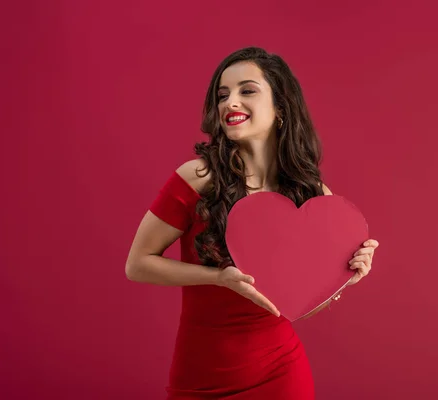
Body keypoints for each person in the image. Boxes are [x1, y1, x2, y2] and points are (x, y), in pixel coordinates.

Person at [125, 47, 379, 399]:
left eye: (247, 90)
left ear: (280, 108)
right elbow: (137, 265)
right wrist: (218, 278)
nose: (230, 102)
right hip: (201, 373)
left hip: (280, 373)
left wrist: (346, 278)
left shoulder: (313, 195)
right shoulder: (199, 178)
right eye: (222, 94)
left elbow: (300, 306)